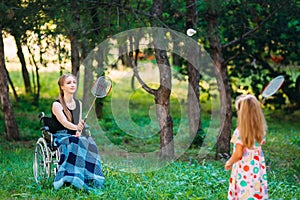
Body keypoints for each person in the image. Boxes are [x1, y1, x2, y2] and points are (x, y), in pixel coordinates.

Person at [50, 73, 105, 191]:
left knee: (89, 142)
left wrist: (79, 130)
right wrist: (76, 127)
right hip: (60, 135)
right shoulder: (57, 104)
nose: (72, 85)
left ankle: (91, 176)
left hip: (73, 135)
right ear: (62, 87)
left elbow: (77, 126)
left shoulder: (78, 104)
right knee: (74, 142)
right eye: (68, 83)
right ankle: (71, 177)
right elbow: (64, 123)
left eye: (74, 82)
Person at [225, 94, 268, 199]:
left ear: (242, 114)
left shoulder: (239, 132)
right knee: (255, 191)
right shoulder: (260, 130)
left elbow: (239, 154)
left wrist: (229, 162)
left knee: (243, 192)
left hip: (244, 170)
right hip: (256, 170)